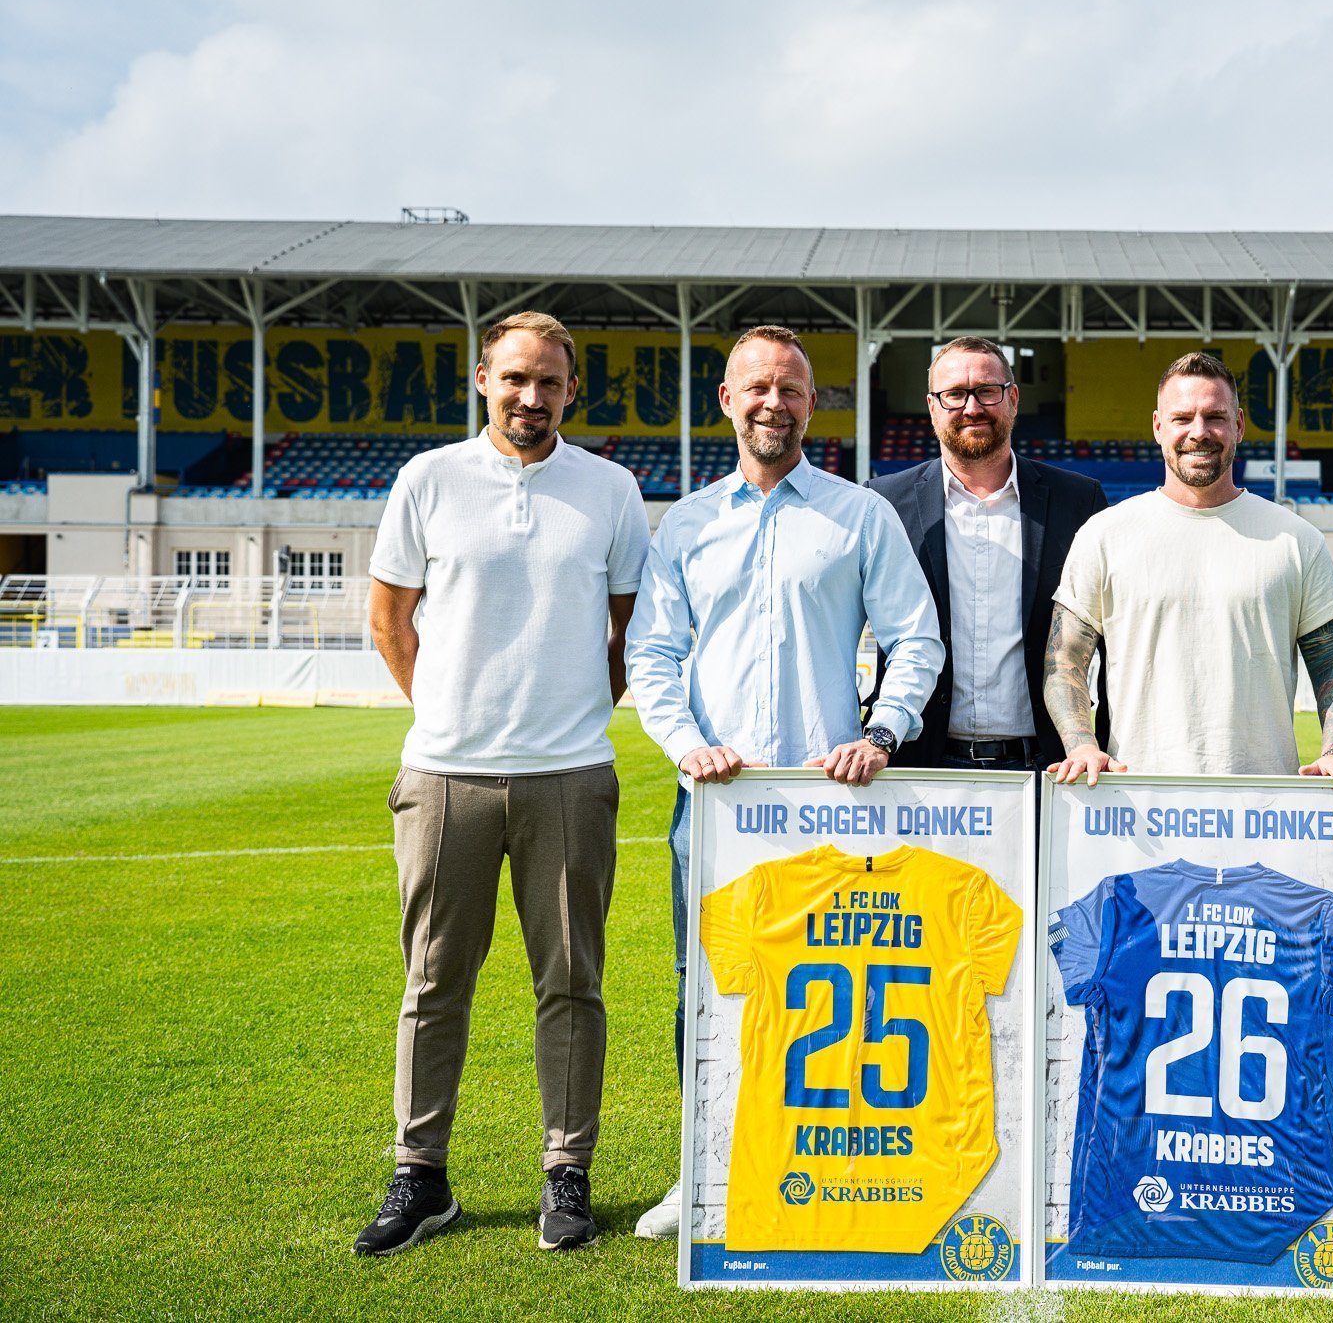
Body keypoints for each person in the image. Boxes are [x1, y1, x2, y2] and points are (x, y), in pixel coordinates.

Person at [624, 324, 943, 1239]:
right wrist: (687, 744)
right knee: (706, 986)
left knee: (835, 990)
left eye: (792, 389)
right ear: (727, 400)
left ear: (813, 406)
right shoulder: (686, 523)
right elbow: (652, 652)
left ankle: (832, 1170)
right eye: (758, 387)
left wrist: (881, 731)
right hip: (715, 803)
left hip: (831, 800)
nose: (775, 403)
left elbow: (915, 638)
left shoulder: (859, 515)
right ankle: (705, 1168)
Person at [354, 312, 649, 1256]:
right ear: (484, 377)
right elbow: (389, 619)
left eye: (550, 381)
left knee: (571, 981)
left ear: (571, 392)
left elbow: (630, 630)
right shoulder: (428, 478)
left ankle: (567, 1171)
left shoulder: (610, 489)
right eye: (515, 377)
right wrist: (450, 711)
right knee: (434, 979)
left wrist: (575, 713)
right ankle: (420, 1174)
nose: (532, 395)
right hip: (446, 774)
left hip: (570, 774)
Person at [1044, 351, 1333, 786]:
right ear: (1158, 427)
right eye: (1182, 418)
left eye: (1215, 417)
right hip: (1137, 795)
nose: (1199, 432)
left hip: (1264, 799)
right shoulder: (1105, 535)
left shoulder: (1296, 539)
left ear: (1239, 425)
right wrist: (1081, 744)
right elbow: (1065, 657)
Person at [868, 336, 1110, 771]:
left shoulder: (1079, 501)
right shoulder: (884, 503)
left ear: (1013, 398)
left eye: (986, 391)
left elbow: (1108, 638)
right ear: (932, 406)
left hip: (1048, 767)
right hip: (919, 764)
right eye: (954, 394)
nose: (972, 407)